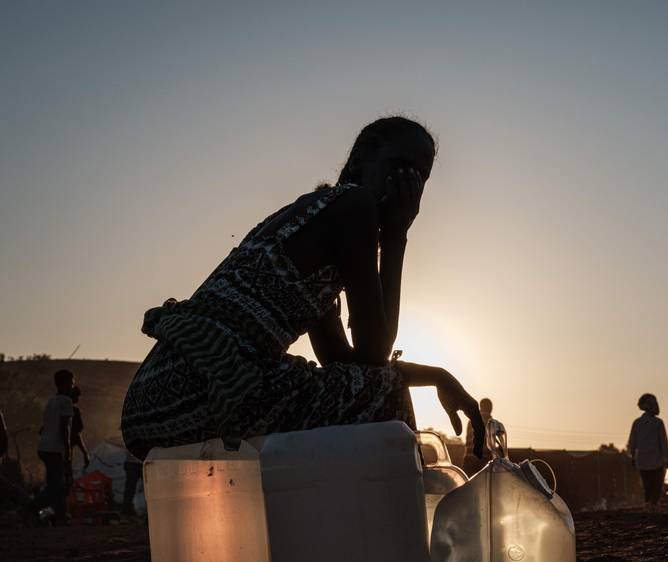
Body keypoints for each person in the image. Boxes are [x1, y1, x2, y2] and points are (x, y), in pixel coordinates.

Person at [121, 117, 485, 461]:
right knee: (386, 396)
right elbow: (375, 353)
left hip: (150, 398)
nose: (406, 184)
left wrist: (435, 375)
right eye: (399, 166)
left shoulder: (315, 216)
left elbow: (341, 362)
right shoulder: (353, 206)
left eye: (418, 177)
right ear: (363, 158)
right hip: (205, 387)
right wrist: (396, 234)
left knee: (370, 385)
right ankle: (387, 524)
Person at [34, 370, 75, 524]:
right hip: (54, 449)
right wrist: (68, 450)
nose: (72, 387)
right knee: (55, 486)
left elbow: (43, 428)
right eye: (71, 383)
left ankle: (60, 517)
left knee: (56, 485)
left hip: (44, 447)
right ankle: (29, 508)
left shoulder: (51, 401)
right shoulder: (66, 401)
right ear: (64, 384)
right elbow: (65, 428)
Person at [627, 393, 668, 507]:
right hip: (657, 461)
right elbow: (663, 442)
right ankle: (653, 505)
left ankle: (648, 505)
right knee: (656, 486)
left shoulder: (637, 423)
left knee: (647, 486)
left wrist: (632, 456)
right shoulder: (658, 423)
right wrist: (667, 459)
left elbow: (632, 443)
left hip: (643, 461)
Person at [463, 398, 506, 474]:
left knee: (469, 483)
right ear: (490, 408)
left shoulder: (471, 420)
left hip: (468, 459)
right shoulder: (491, 421)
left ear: (480, 407)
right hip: (482, 461)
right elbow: (497, 443)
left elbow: (467, 442)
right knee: (485, 484)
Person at [68, 387, 90, 472]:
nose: (78, 399)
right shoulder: (74, 410)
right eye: (77, 396)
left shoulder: (55, 405)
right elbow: (77, 432)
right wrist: (85, 453)